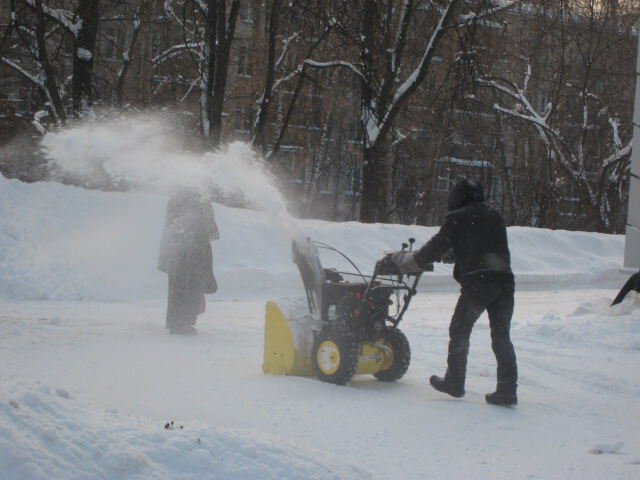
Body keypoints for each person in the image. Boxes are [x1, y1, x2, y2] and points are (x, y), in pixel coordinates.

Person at [389, 178, 518, 406]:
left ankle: (455, 382)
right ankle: (507, 391)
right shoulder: (494, 215)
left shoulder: (457, 217)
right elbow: (480, 246)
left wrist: (402, 260)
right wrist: (456, 255)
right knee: (501, 336)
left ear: (458, 198)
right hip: (505, 282)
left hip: (479, 284)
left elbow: (431, 250)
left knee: (459, 330)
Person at [158, 187, 219, 335]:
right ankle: (182, 324)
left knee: (178, 286)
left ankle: (176, 322)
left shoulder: (177, 195)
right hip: (192, 250)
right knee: (191, 287)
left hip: (177, 249)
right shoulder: (197, 197)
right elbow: (206, 226)